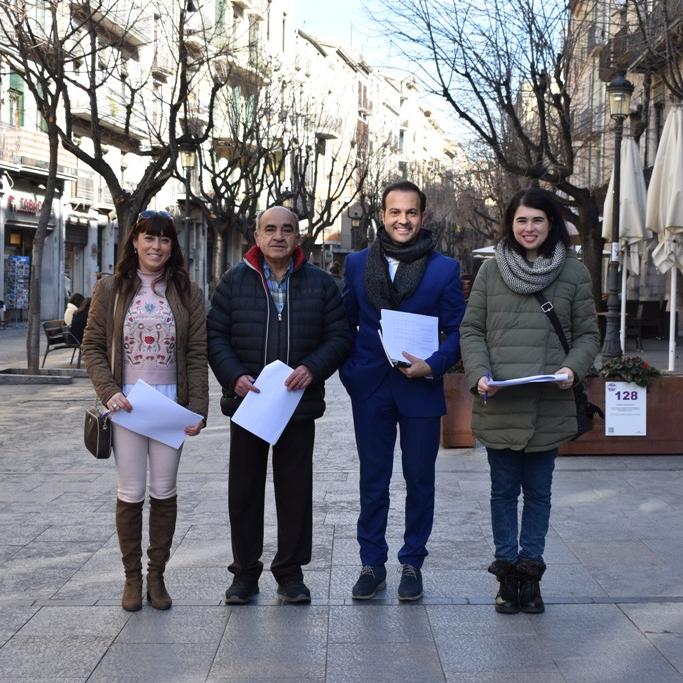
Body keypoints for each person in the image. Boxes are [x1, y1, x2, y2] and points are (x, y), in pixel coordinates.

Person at [459, 188, 600, 614]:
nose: (529, 228)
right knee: (503, 492)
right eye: (522, 220)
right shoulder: (489, 272)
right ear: (511, 223)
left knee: (538, 493)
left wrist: (573, 368)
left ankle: (530, 574)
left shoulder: (574, 273)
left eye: (538, 220)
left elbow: (588, 335)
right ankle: (506, 576)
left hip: (549, 402)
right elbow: (472, 331)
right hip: (500, 402)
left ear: (552, 223)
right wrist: (479, 373)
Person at [207, 205, 351, 605]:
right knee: (245, 490)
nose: (278, 236)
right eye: (269, 229)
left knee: (295, 490)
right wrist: (233, 375)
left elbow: (339, 337)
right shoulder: (234, 282)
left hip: (297, 406)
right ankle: (245, 573)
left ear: (298, 238)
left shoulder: (321, 285)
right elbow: (215, 335)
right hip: (249, 403)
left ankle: (290, 572)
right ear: (256, 236)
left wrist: (312, 368)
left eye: (287, 229)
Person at [341, 180, 466, 601]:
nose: (403, 220)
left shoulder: (445, 269)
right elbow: (343, 324)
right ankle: (371, 563)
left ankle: (412, 561)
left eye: (411, 213)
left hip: (421, 388)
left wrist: (434, 364)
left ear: (423, 217)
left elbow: (458, 330)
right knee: (372, 481)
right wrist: (350, 374)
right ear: (382, 215)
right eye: (395, 212)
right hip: (372, 386)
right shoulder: (357, 264)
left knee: (420, 480)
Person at [82, 210, 208, 612]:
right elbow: (93, 346)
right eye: (148, 238)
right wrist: (109, 392)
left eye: (165, 240)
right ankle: (132, 579)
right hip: (129, 406)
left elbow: (196, 354)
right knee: (131, 492)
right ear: (134, 241)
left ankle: (157, 575)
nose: (156, 247)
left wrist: (197, 409)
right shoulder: (111, 289)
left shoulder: (189, 291)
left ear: (173, 246)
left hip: (170, 406)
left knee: (164, 490)